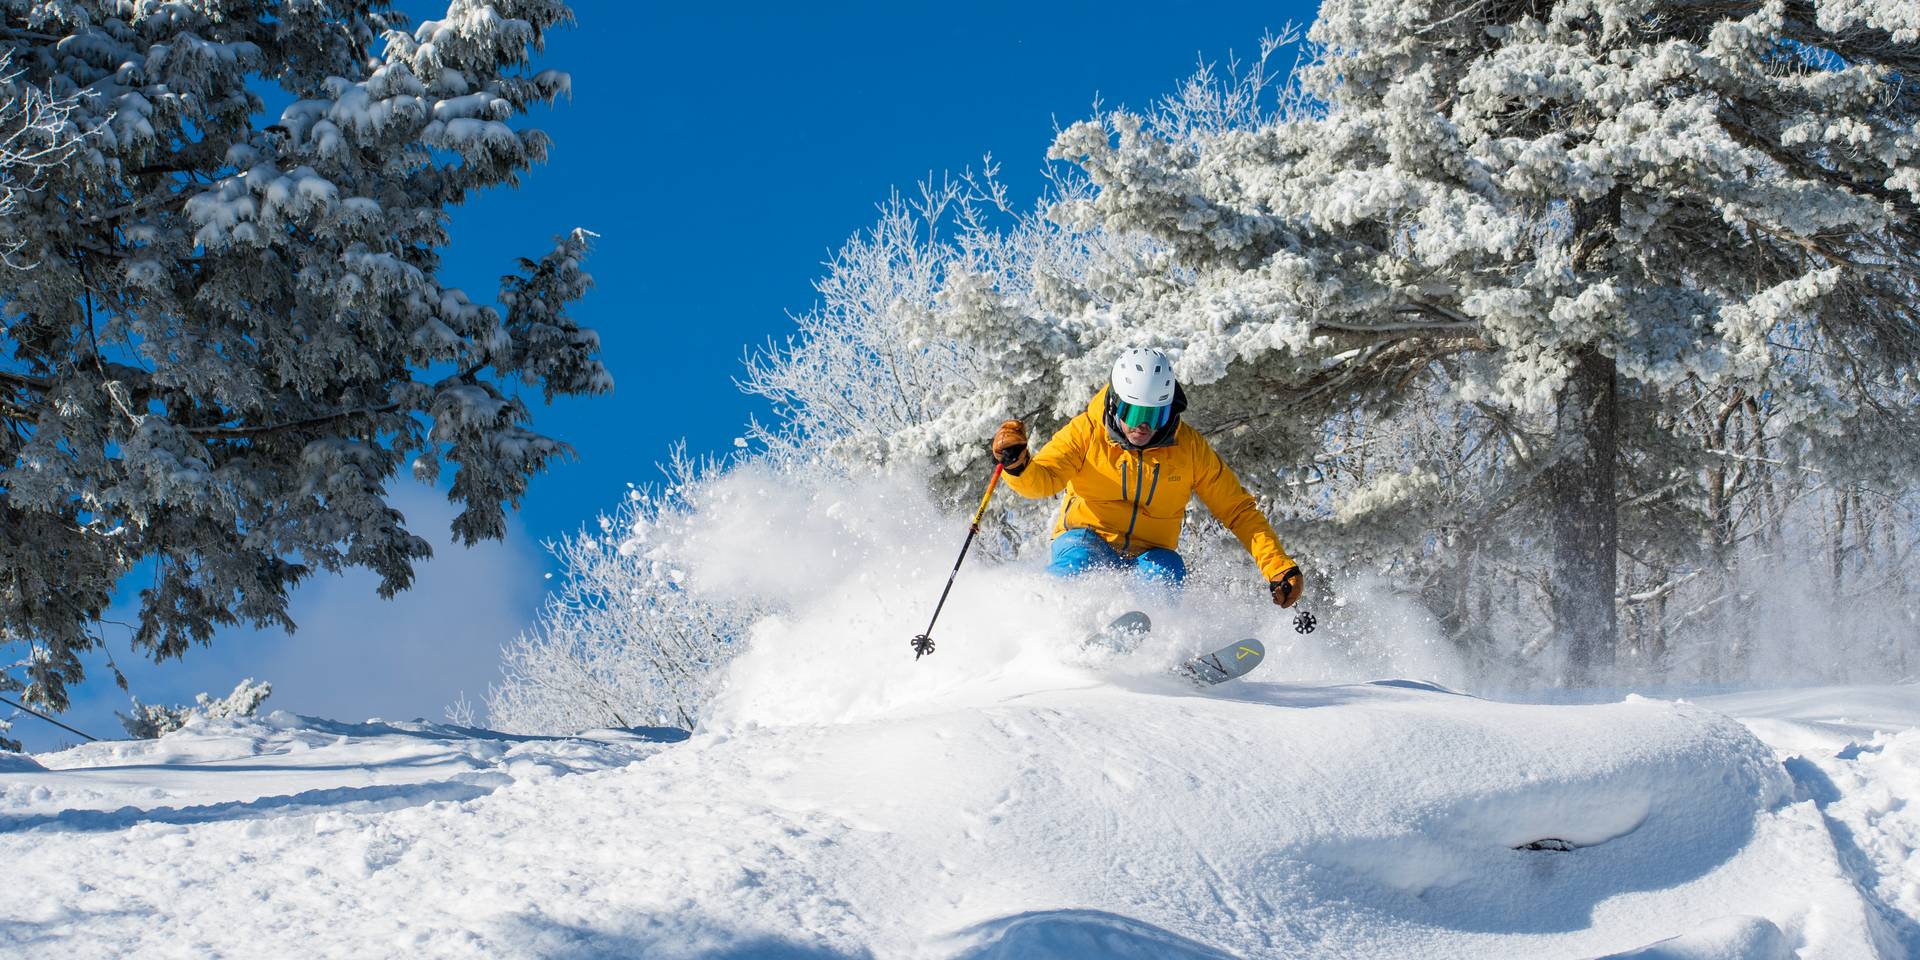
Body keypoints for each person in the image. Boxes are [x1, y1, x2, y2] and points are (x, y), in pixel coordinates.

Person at [989, 348, 1306, 609]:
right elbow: (1043, 479)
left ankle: (1151, 645)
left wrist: (1277, 565)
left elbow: (1237, 510)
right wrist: (1018, 467)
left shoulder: (1189, 449)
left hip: (1150, 554)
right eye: (1134, 413)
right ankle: (1051, 621)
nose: (1143, 426)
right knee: (1077, 555)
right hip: (1088, 537)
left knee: (1167, 570)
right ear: (1115, 403)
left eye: (1154, 415)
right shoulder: (1087, 432)